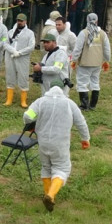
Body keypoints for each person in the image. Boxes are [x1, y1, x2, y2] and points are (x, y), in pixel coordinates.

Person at [23, 78, 90, 212]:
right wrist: (85, 139)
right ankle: (50, 195)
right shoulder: (69, 104)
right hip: (60, 143)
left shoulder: (40, 101)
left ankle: (49, 197)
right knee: (62, 168)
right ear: (63, 89)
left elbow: (27, 116)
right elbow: (81, 122)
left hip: (43, 141)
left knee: (46, 167)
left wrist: (31, 127)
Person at [71, 13, 111, 111]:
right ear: (97, 21)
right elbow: (107, 49)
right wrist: (106, 60)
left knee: (82, 83)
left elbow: (78, 49)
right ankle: (93, 105)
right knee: (95, 82)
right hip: (97, 63)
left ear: (87, 20)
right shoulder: (102, 33)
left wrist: (74, 60)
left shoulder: (83, 33)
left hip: (85, 63)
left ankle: (84, 105)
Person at [4, 14, 35, 107]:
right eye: (18, 20)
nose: (19, 22)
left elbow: (31, 46)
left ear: (25, 21)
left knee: (23, 77)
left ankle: (23, 101)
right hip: (10, 57)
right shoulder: (9, 32)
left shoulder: (30, 33)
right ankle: (9, 99)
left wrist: (20, 52)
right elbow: (4, 43)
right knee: (10, 76)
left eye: (21, 21)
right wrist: (13, 50)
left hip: (23, 58)